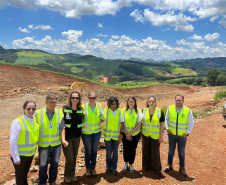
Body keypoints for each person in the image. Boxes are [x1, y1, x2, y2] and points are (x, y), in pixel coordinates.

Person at [36, 94, 64, 185]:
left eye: (54, 102)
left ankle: (52, 181)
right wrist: (36, 148)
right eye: (51, 102)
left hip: (56, 145)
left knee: (55, 164)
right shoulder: (38, 113)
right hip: (43, 145)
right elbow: (35, 130)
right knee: (43, 165)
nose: (53, 104)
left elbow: (62, 127)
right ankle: (42, 182)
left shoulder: (60, 112)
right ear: (46, 102)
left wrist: (63, 139)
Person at [10, 100, 39, 185]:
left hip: (30, 154)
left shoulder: (34, 121)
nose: (31, 110)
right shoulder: (18, 122)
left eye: (33, 108)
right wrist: (16, 157)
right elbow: (12, 141)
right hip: (20, 155)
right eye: (28, 108)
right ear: (24, 109)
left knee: (25, 174)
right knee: (20, 176)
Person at [164, 94, 194, 176]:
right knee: (171, 151)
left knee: (181, 152)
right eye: (177, 100)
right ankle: (169, 165)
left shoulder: (188, 110)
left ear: (183, 101)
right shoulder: (170, 108)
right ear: (175, 101)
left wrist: (187, 133)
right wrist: (167, 128)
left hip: (182, 136)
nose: (178, 102)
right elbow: (166, 119)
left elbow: (191, 123)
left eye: (180, 100)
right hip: (172, 134)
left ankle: (182, 168)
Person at [61, 91, 85, 183]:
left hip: (76, 138)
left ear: (79, 99)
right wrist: (62, 139)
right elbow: (61, 124)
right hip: (67, 138)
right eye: (73, 98)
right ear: (70, 99)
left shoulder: (81, 109)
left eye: (77, 98)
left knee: (74, 157)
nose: (75, 99)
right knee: (69, 158)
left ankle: (72, 174)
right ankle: (66, 175)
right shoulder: (64, 108)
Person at [82, 92, 104, 177]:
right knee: (88, 151)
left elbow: (102, 117)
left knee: (94, 150)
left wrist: (99, 123)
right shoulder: (83, 107)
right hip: (86, 133)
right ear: (88, 98)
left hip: (96, 133)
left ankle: (93, 168)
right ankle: (88, 168)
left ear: (96, 98)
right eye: (90, 97)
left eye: (94, 98)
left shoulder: (99, 106)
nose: (92, 99)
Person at [141, 96, 165, 176]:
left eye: (153, 102)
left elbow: (162, 125)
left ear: (155, 102)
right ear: (147, 102)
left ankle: (156, 169)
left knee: (155, 152)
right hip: (145, 135)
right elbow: (140, 124)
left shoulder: (160, 112)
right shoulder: (143, 111)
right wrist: (141, 135)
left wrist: (161, 136)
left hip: (155, 136)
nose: (151, 103)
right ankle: (146, 167)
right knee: (146, 151)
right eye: (150, 101)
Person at [121, 96, 143, 173]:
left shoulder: (138, 111)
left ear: (135, 102)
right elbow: (122, 123)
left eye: (132, 101)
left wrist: (130, 133)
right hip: (125, 133)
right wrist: (127, 133)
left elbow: (139, 124)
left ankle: (131, 164)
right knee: (126, 148)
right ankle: (126, 163)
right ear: (127, 102)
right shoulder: (124, 110)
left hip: (135, 134)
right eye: (129, 101)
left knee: (132, 149)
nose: (131, 103)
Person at [103, 96, 123, 175]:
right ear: (109, 104)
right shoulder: (106, 111)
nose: (113, 105)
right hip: (107, 136)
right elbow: (101, 119)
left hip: (116, 136)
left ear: (117, 104)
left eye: (114, 104)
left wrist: (121, 134)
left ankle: (114, 167)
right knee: (108, 152)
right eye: (112, 104)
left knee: (115, 152)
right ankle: (108, 166)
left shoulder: (120, 112)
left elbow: (122, 123)